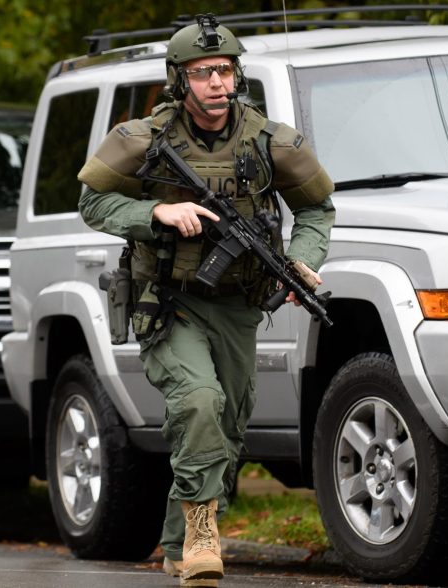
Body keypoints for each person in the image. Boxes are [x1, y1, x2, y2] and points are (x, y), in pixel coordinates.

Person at [77, 15, 335, 586]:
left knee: (228, 423)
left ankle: (176, 542)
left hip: (240, 302)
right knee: (197, 402)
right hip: (167, 300)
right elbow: (92, 203)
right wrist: (155, 213)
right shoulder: (143, 138)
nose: (217, 82)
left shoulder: (271, 141)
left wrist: (302, 260)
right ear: (179, 80)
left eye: (225, 70)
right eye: (202, 73)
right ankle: (200, 532)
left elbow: (317, 209)